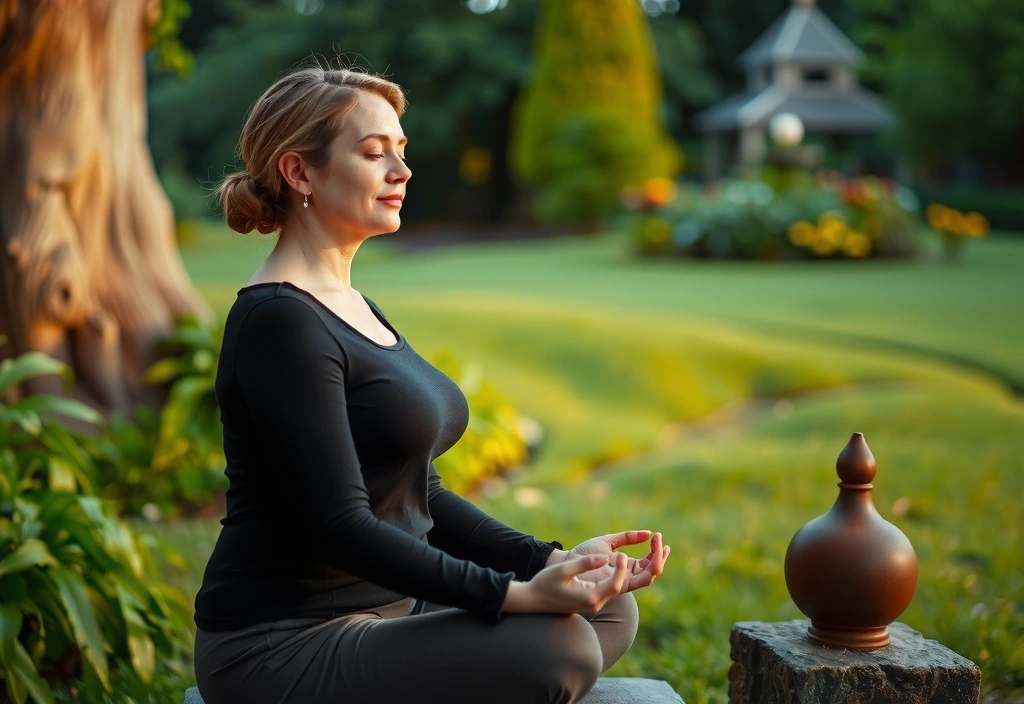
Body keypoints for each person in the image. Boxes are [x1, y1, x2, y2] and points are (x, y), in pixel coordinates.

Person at [192, 62, 671, 704]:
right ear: (299, 171)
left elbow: (418, 494)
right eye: (373, 153)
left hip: (394, 611)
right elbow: (342, 524)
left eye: (401, 150)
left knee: (607, 612)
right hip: (284, 640)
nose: (401, 171)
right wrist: (514, 595)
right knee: (562, 645)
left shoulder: (350, 304)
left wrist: (545, 562)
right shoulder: (278, 319)